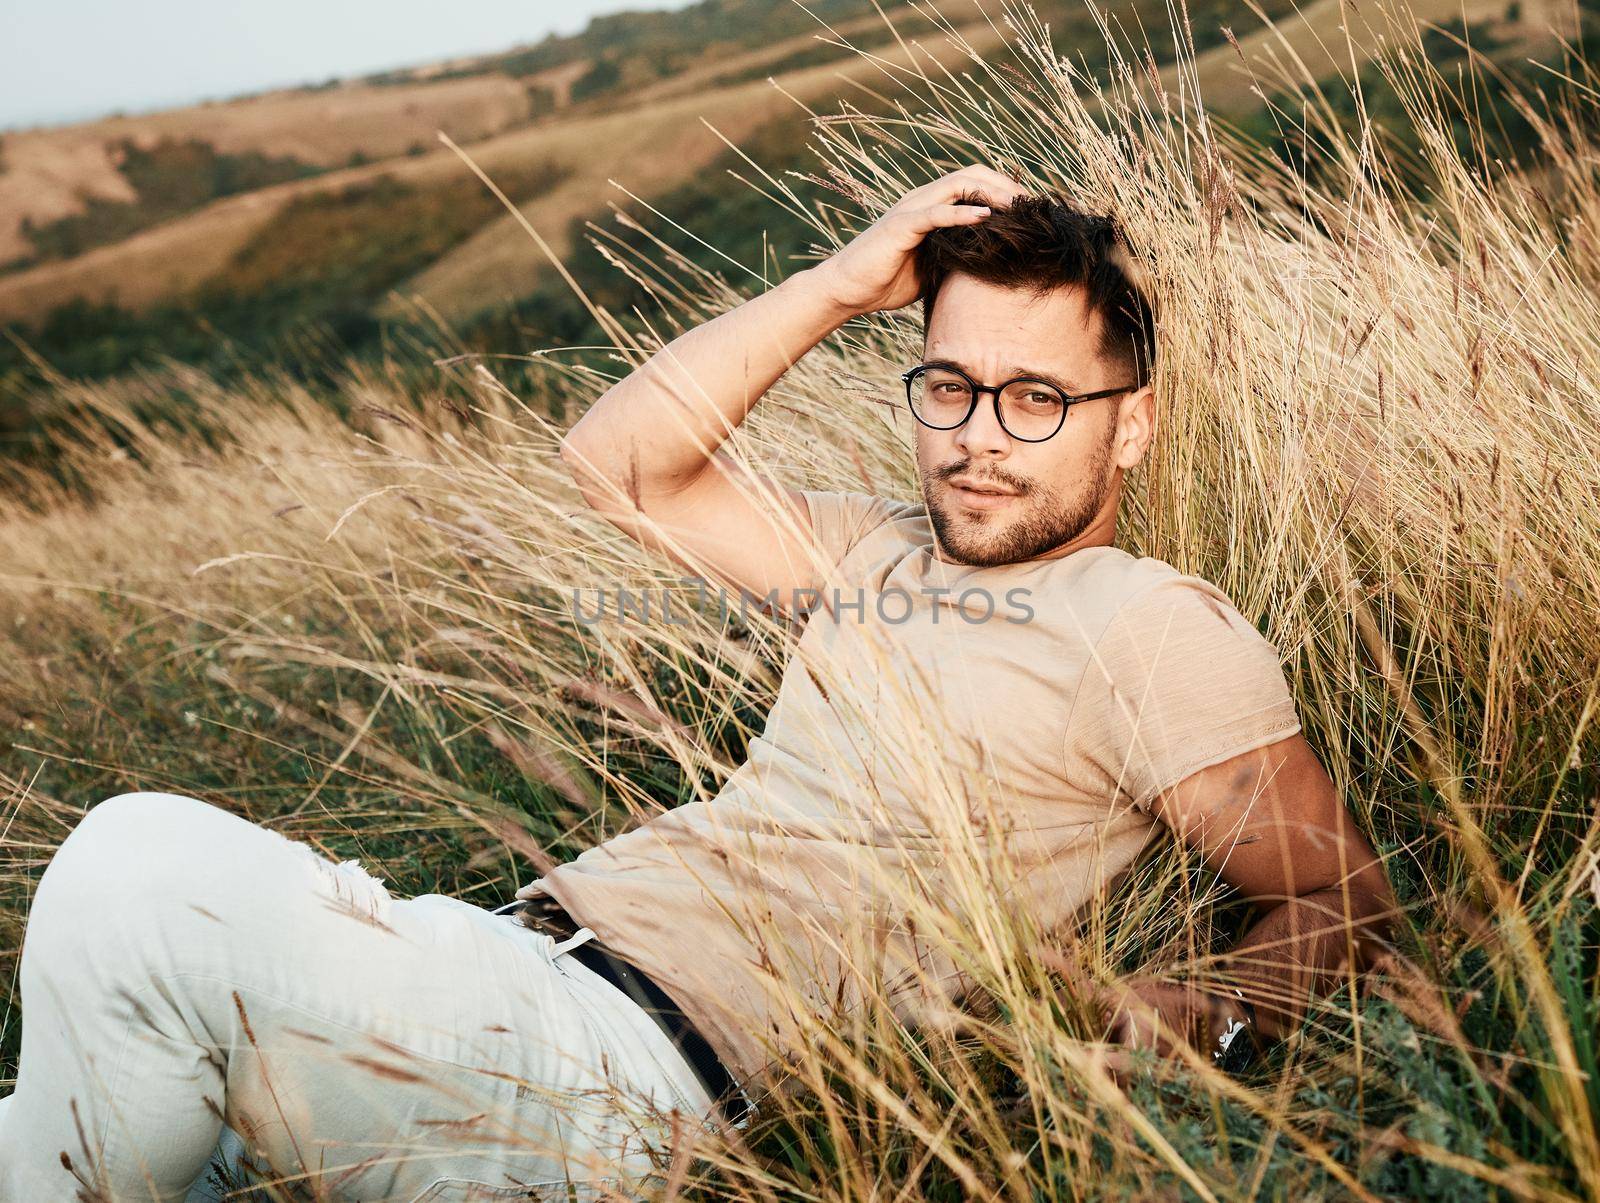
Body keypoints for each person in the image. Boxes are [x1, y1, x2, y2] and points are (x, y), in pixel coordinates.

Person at [0, 165, 1396, 1201]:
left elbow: (1340, 891)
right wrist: (843, 280)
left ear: (1131, 427)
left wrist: (1204, 1010)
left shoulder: (1145, 624)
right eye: (948, 387)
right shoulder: (872, 549)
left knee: (136, 870)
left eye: (1036, 400)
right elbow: (618, 463)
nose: (978, 439)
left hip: (625, 1077)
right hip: (501, 965)